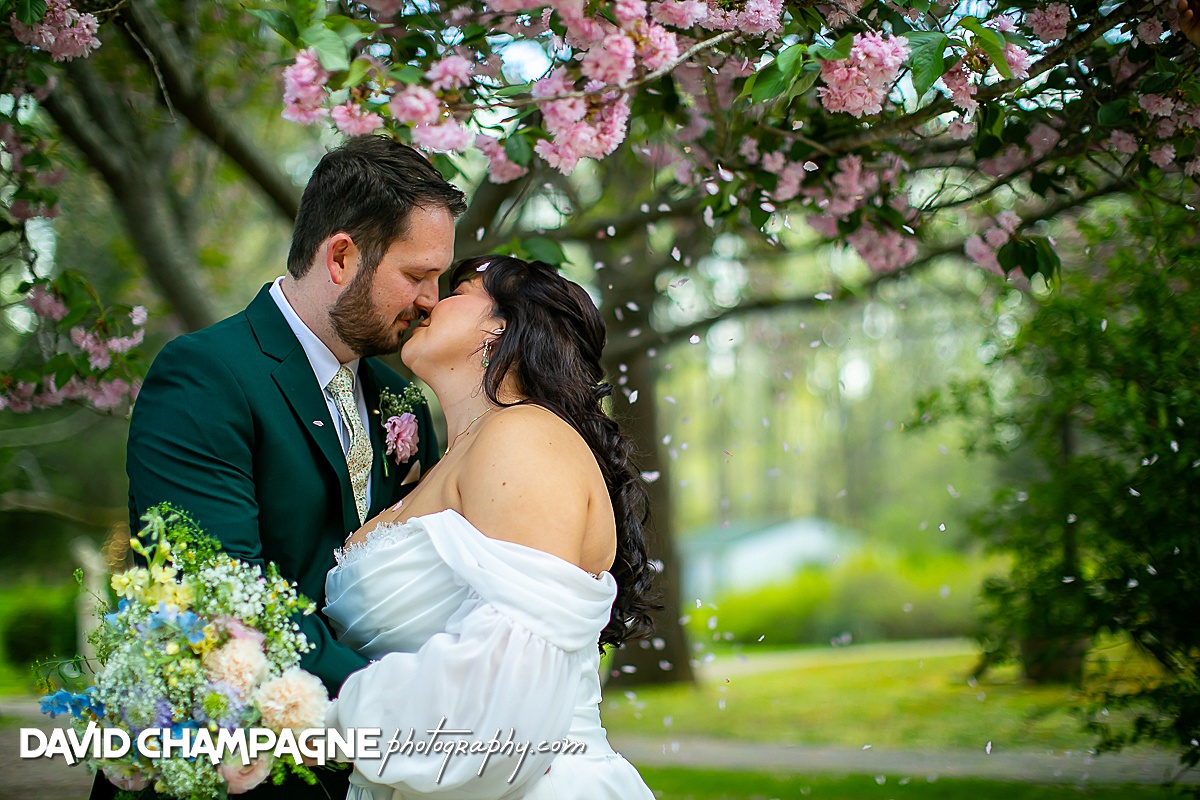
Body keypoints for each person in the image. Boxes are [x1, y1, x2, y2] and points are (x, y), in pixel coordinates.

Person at [99, 135, 467, 800]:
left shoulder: (402, 400)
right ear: (341, 257)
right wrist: (385, 700)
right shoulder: (207, 376)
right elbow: (221, 592)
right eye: (417, 275)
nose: (432, 301)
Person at [323, 255, 658, 799]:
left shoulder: (524, 438)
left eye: (457, 290)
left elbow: (507, 698)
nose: (427, 301)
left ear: (500, 325)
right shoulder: (449, 462)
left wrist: (313, 723)